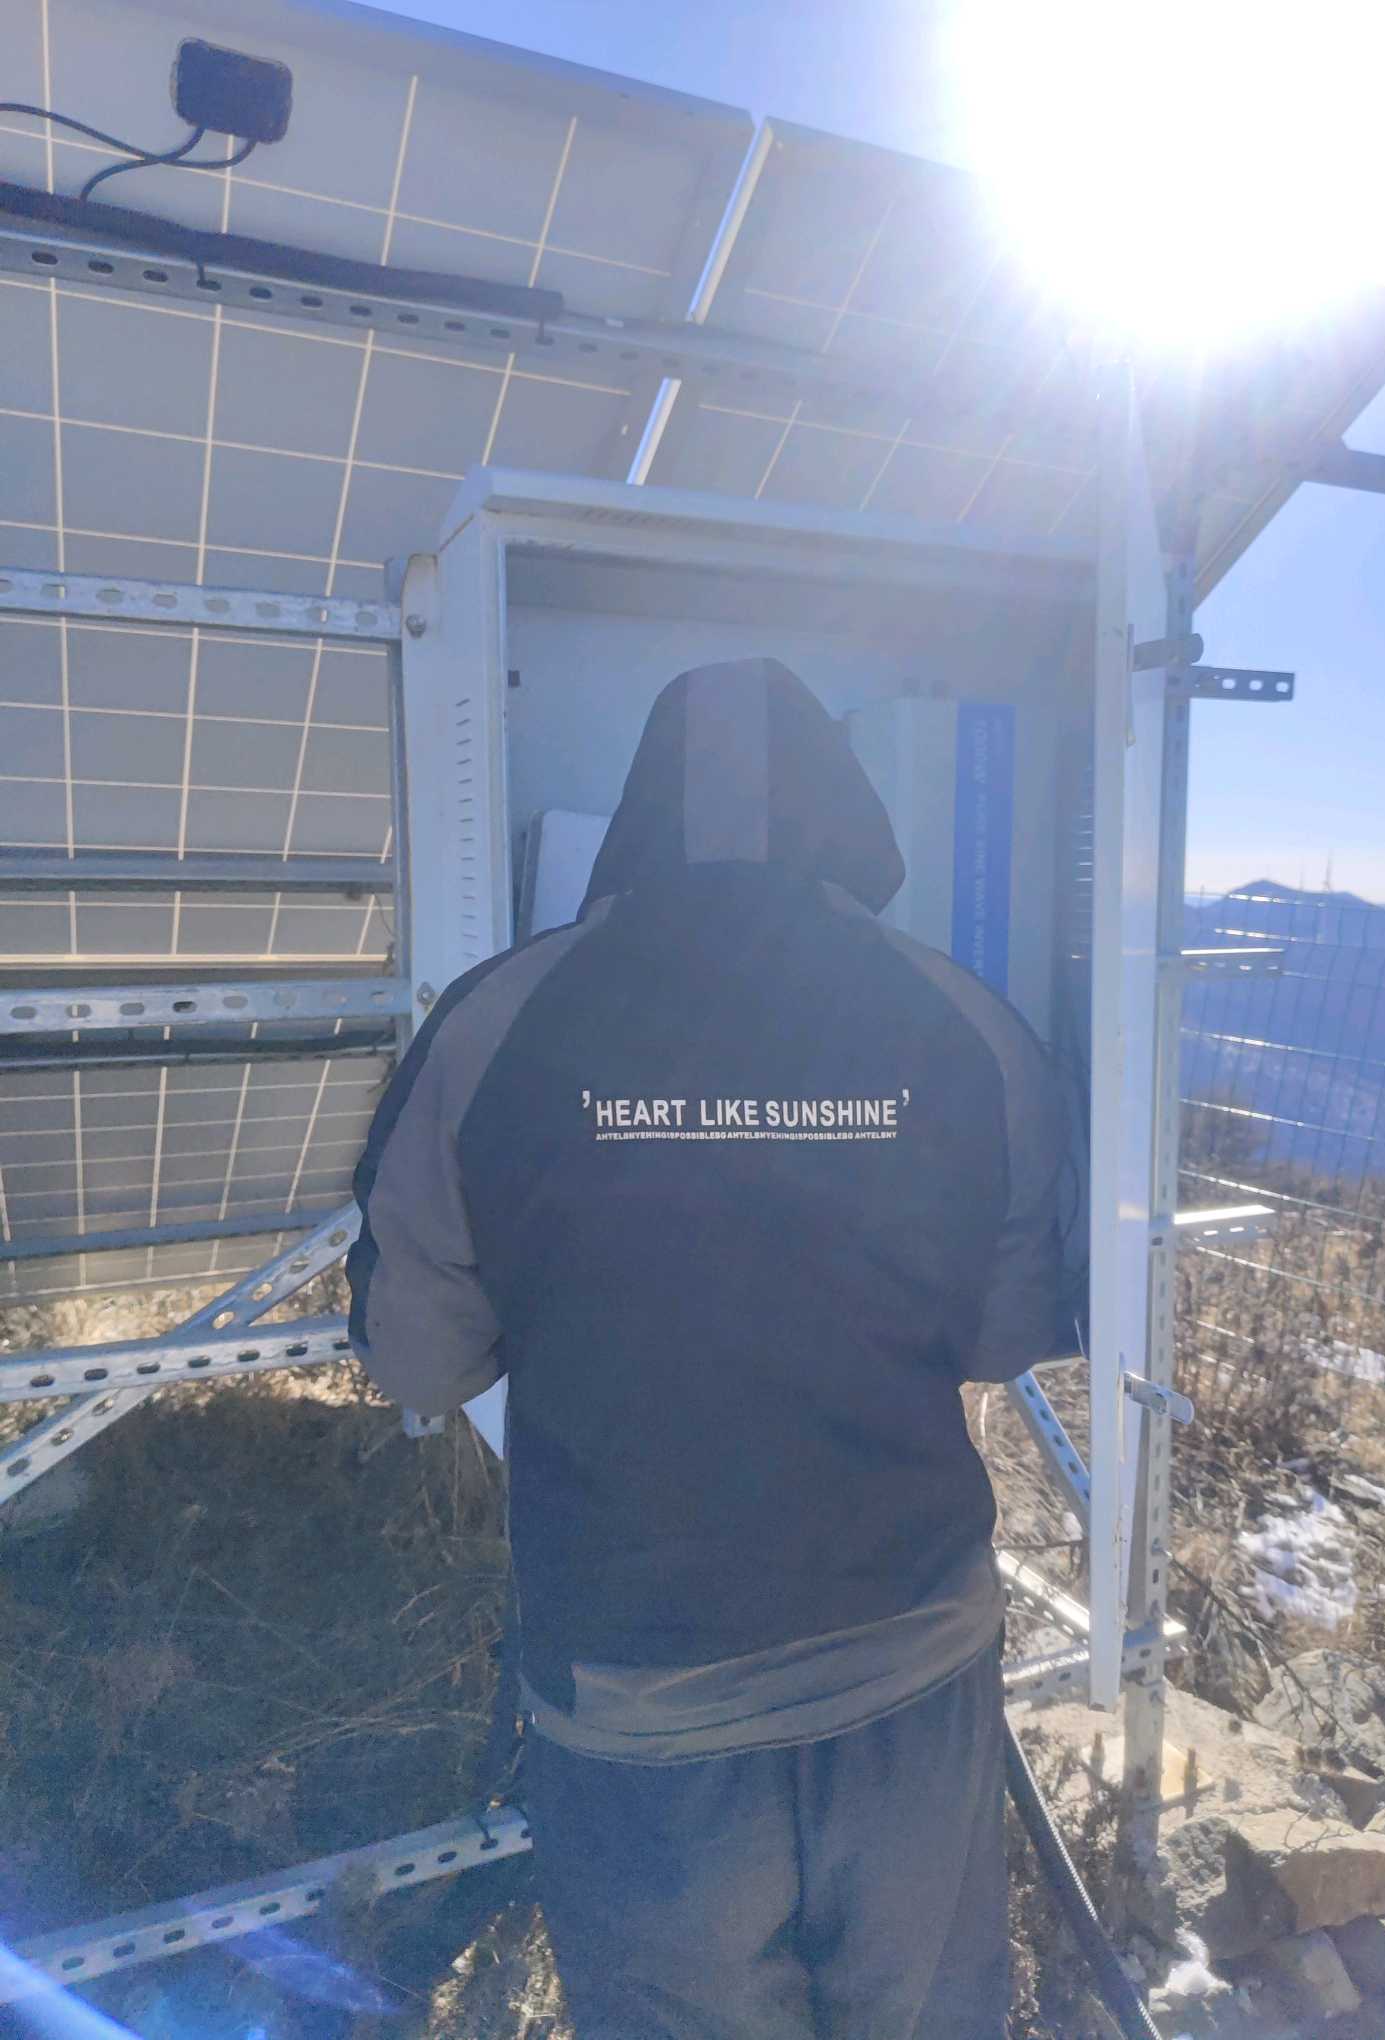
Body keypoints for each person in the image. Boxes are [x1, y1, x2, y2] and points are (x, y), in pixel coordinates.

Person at [348, 656, 1066, 2040]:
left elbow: (418, 1360)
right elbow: (1005, 1331)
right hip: (912, 1669)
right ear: (844, 808)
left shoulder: (500, 1018)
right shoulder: (963, 1018)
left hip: (642, 1703)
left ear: (641, 812)